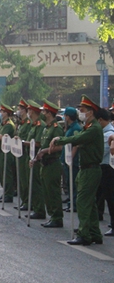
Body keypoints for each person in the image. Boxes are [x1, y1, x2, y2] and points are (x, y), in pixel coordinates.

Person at [51, 95, 104, 246]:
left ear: (91, 112)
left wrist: (59, 140)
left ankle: (84, 234)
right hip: (86, 169)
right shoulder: (88, 127)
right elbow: (78, 137)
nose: (80, 112)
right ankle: (94, 233)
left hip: (91, 169)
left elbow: (77, 139)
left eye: (82, 110)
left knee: (82, 202)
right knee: (90, 203)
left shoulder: (94, 129)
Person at [30, 100, 65, 228]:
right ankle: (52, 215)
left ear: (49, 113)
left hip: (52, 163)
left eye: (44, 111)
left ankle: (57, 217)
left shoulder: (56, 128)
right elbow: (42, 146)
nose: (42, 113)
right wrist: (35, 158)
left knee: (53, 192)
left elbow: (60, 147)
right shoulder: (46, 128)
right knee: (46, 191)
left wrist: (44, 151)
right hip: (44, 164)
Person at [95, 108, 114, 237]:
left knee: (111, 199)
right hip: (104, 168)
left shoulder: (108, 134)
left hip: (108, 169)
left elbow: (100, 153)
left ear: (100, 120)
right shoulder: (105, 133)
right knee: (102, 198)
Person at [61, 107, 81, 212]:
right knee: (69, 182)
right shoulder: (69, 127)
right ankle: (71, 203)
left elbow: (76, 145)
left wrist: (70, 158)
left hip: (72, 161)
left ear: (68, 117)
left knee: (73, 183)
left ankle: (74, 204)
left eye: (65, 115)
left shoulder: (76, 128)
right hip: (66, 159)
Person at [15, 99, 33, 210]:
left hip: (25, 153)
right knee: (21, 179)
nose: (18, 111)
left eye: (20, 109)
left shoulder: (28, 123)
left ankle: (27, 202)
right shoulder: (21, 123)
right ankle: (24, 201)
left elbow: (28, 139)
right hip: (19, 153)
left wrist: (20, 140)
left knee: (25, 180)